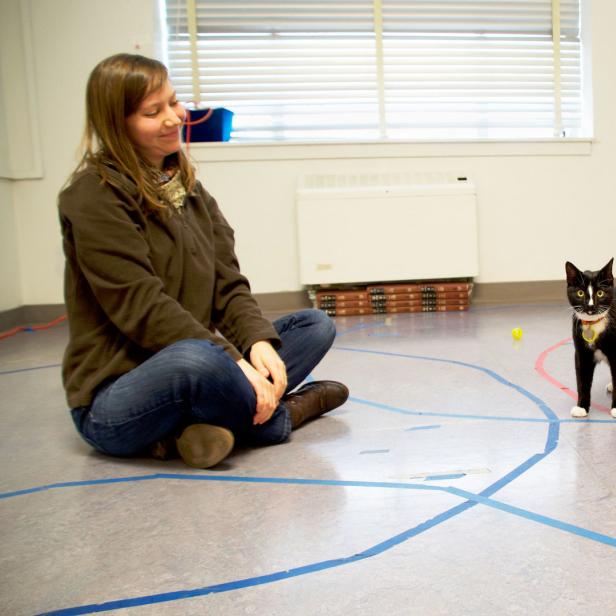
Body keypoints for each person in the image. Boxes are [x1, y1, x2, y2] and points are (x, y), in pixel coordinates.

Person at [58, 53, 349, 469]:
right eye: (152, 112)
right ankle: (283, 416)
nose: (174, 118)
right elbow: (142, 306)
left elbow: (228, 284)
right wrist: (233, 361)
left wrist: (255, 343)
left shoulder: (189, 188)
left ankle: (189, 432)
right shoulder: (92, 194)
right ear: (116, 123)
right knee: (197, 358)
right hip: (116, 398)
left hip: (202, 367)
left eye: (173, 103)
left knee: (313, 325)